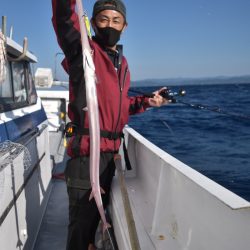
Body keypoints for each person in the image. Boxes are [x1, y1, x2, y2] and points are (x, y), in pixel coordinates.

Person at [52, 0, 168, 249]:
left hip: (111, 158)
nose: (110, 25)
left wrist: (148, 101)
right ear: (93, 23)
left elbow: (119, 106)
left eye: (116, 20)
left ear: (125, 26)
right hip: (86, 160)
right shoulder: (82, 50)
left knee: (96, 226)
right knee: (80, 233)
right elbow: (64, 20)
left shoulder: (121, 63)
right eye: (103, 19)